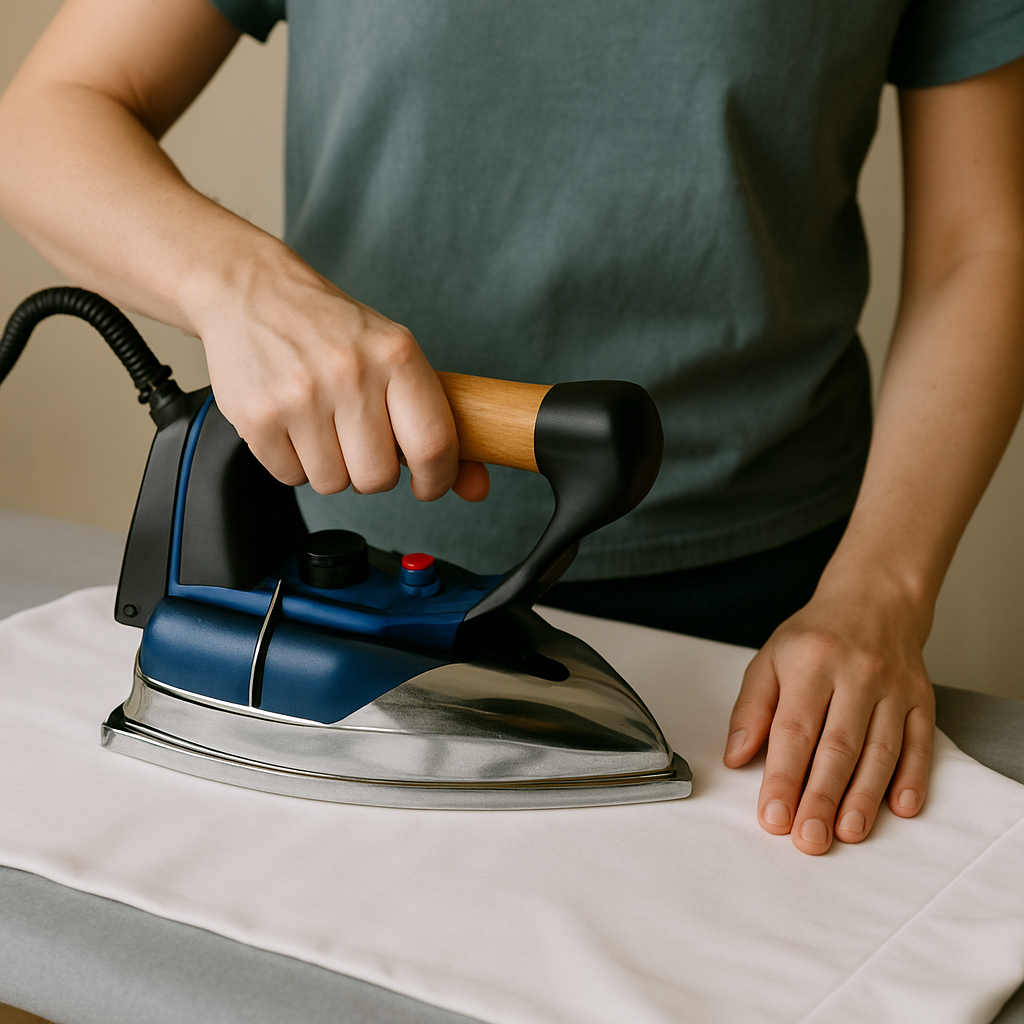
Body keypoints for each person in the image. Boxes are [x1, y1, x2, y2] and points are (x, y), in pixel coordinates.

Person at [1, 0, 1022, 856]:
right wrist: (242, 288)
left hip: (780, 616)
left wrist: (879, 591)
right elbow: (52, 113)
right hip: (345, 549)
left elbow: (977, 243)